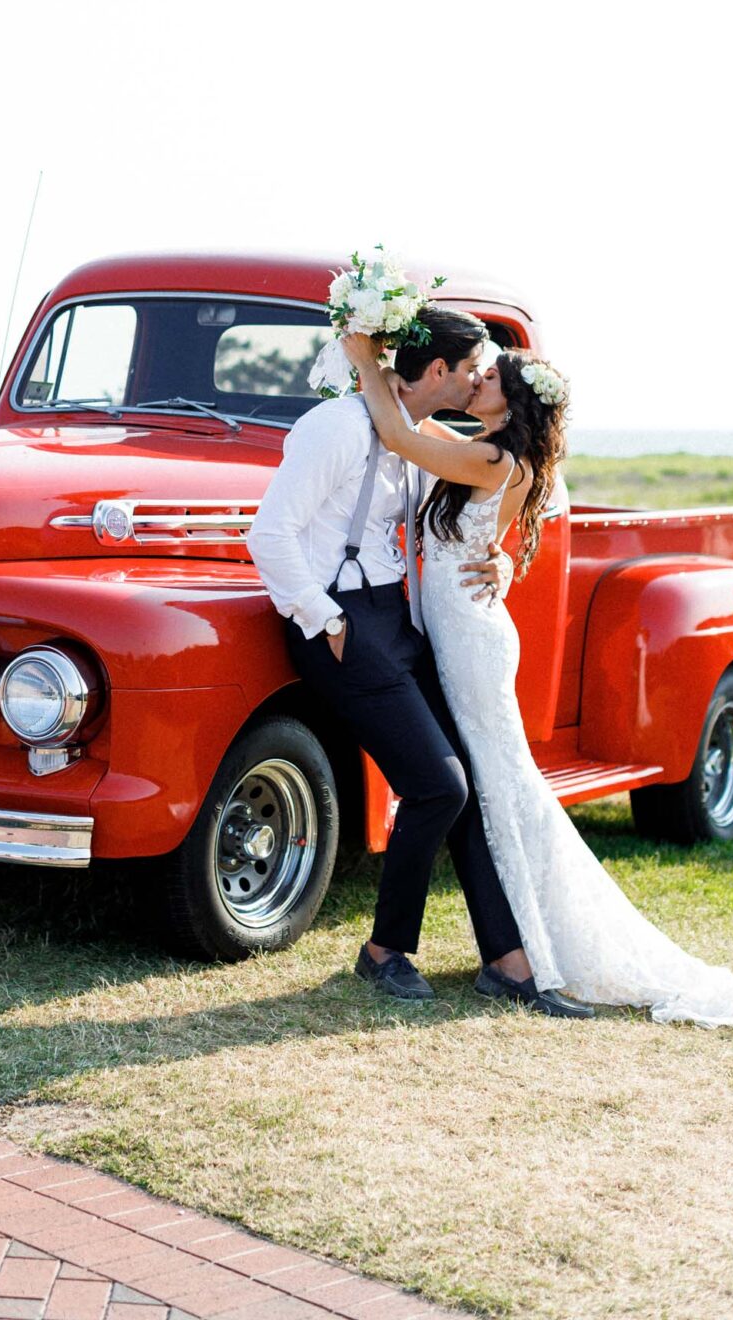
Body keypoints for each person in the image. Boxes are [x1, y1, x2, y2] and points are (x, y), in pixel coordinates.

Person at [341, 331, 733, 1038]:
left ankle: (522, 956)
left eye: (489, 377)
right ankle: (511, 954)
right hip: (461, 626)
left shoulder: (495, 455)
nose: (476, 381)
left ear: (513, 399)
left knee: (499, 786)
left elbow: (403, 441)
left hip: (470, 640)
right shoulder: (491, 449)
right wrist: (496, 557)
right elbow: (426, 444)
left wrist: (362, 357)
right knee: (487, 786)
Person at [247, 307, 593, 1014]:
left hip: (400, 622)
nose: (475, 383)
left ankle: (508, 960)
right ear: (438, 370)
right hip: (344, 624)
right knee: (440, 787)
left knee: (464, 786)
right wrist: (327, 620)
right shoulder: (337, 427)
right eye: (471, 370)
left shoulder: (419, 440)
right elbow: (270, 534)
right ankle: (383, 952)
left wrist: (495, 555)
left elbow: (513, 492)